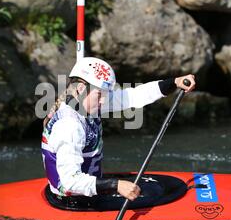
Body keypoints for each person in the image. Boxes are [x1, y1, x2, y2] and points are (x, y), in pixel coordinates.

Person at [41, 57, 195, 205]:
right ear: (81, 89)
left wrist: (174, 82)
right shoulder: (69, 126)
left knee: (160, 186)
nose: (103, 101)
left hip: (86, 191)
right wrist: (116, 185)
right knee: (156, 193)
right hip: (75, 201)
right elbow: (70, 181)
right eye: (100, 95)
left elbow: (133, 96)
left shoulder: (84, 104)